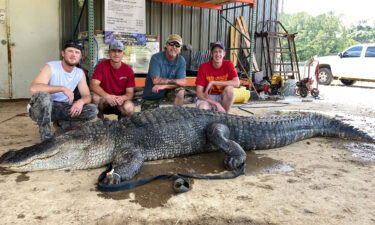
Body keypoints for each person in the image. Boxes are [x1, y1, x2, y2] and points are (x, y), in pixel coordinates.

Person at [28, 40, 98, 141]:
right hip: (39, 110)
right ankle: (46, 139)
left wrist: (80, 102)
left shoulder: (79, 73)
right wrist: (62, 88)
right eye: (70, 51)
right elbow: (33, 89)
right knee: (44, 97)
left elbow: (87, 96)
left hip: (60, 108)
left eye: (77, 52)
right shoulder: (50, 67)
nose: (73, 55)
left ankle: (62, 124)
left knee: (92, 110)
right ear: (63, 53)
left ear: (80, 57)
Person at [90, 40, 135, 119]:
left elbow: (130, 93)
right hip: (105, 100)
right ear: (109, 53)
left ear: (123, 54)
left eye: (119, 51)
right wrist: (107, 96)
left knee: (129, 107)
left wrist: (122, 98)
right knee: (95, 98)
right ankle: (100, 122)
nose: (116, 54)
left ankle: (121, 123)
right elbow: (93, 85)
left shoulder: (128, 70)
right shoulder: (101, 66)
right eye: (113, 51)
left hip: (120, 101)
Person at [141, 34, 186, 111]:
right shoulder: (156, 58)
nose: (174, 47)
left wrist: (164, 86)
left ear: (180, 48)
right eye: (171, 43)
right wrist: (176, 82)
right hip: (153, 94)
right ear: (166, 45)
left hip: (168, 91)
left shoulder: (181, 60)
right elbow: (156, 80)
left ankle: (176, 116)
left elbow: (183, 82)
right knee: (147, 120)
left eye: (177, 45)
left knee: (181, 91)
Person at [195, 41, 240, 113]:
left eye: (220, 51)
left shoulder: (229, 64)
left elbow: (237, 83)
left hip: (221, 96)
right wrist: (216, 104)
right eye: (215, 52)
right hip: (207, 97)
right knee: (202, 108)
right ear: (211, 54)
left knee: (230, 90)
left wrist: (213, 82)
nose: (218, 54)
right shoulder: (203, 67)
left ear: (224, 54)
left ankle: (224, 115)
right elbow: (199, 93)